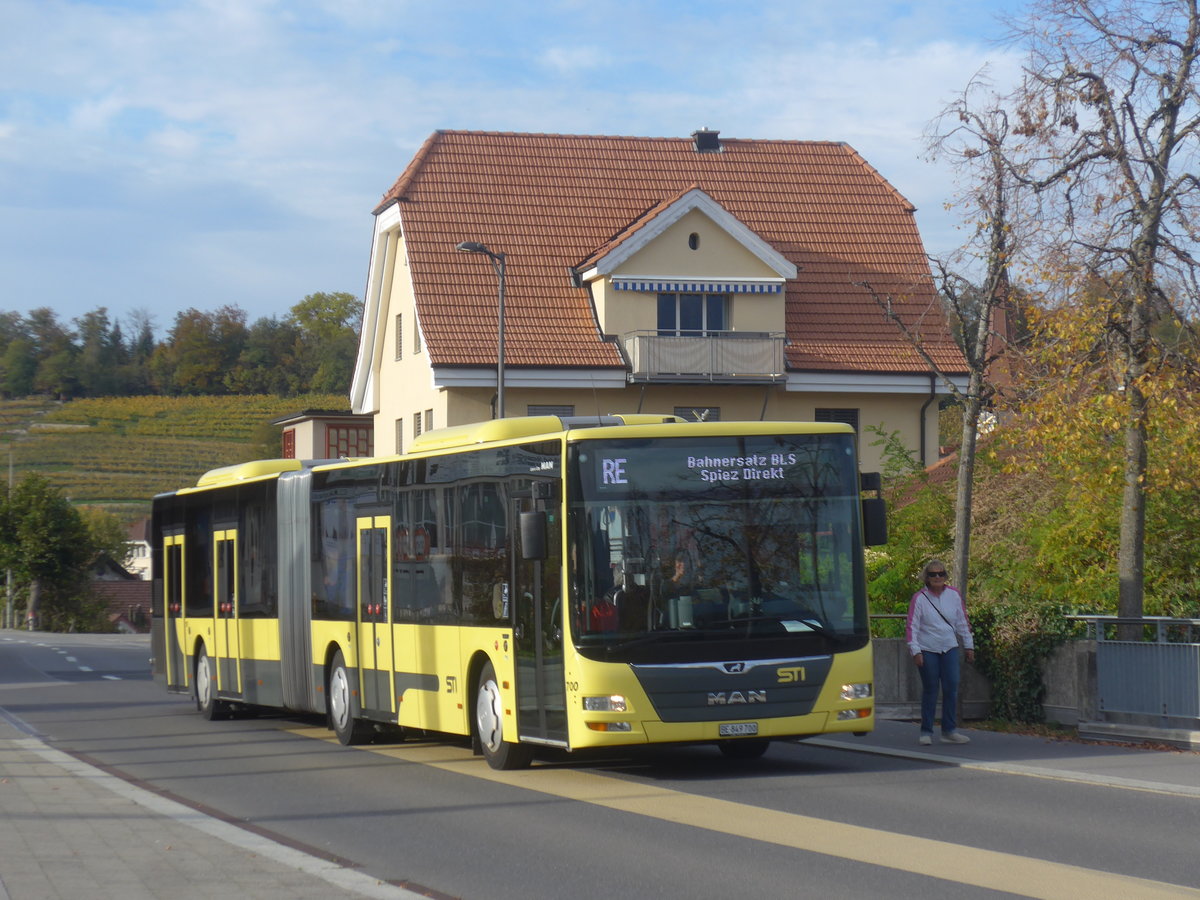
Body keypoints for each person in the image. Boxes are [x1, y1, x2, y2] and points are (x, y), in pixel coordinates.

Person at [906, 559, 975, 746]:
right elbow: (912, 626)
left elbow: (962, 622)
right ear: (926, 577)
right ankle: (926, 731)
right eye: (933, 574)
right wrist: (915, 651)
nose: (937, 577)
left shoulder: (954, 595)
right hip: (927, 648)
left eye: (941, 574)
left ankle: (949, 731)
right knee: (931, 689)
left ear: (945, 576)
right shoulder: (919, 598)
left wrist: (969, 646)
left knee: (951, 687)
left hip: (949, 647)